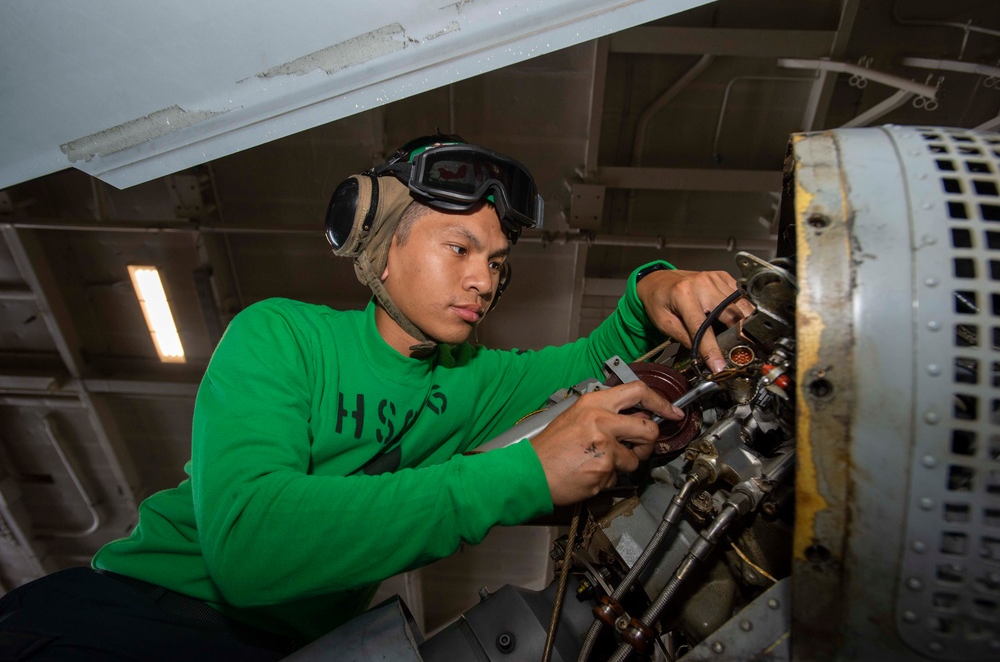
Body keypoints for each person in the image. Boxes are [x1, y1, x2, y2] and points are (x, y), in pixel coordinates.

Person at [0, 135, 752, 660]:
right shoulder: (281, 335)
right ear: (379, 245)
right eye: (458, 249)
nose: (484, 280)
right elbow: (250, 549)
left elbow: (601, 353)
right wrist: (520, 476)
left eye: (496, 262)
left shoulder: (471, 379)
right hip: (115, 623)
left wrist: (661, 284)